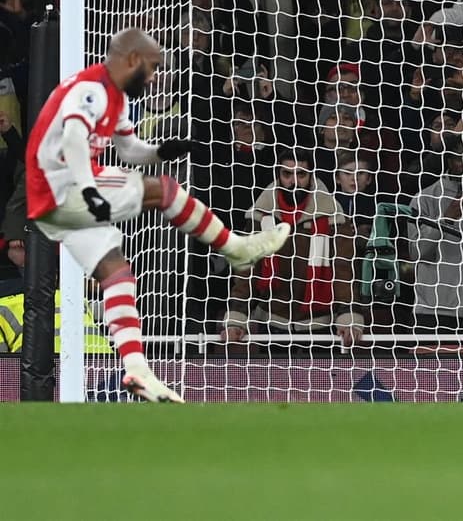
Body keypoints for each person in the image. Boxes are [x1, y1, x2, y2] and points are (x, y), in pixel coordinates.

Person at [24, 28, 289, 402]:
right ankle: (236, 249)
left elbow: (128, 150)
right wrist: (89, 191)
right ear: (132, 59)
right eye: (150, 69)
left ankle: (136, 370)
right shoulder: (92, 90)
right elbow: (72, 140)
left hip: (51, 205)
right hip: (61, 185)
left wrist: (162, 151)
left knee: (117, 273)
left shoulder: (115, 98)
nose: (152, 79)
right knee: (163, 190)